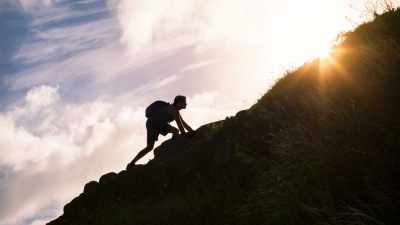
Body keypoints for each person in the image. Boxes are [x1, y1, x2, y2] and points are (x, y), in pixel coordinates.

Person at [126, 95, 195, 169]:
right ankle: (173, 148)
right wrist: (184, 135)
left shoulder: (174, 110)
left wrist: (192, 132)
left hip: (150, 122)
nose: (186, 104)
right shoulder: (174, 110)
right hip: (156, 122)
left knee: (149, 147)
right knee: (175, 131)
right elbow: (180, 125)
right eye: (184, 102)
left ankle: (131, 164)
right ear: (179, 103)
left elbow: (184, 124)